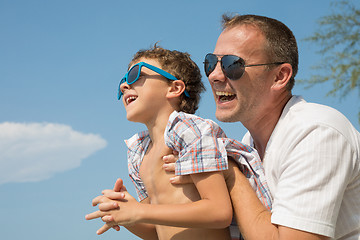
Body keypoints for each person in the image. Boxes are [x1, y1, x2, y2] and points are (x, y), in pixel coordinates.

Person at [169, 14, 360, 240]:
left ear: (280, 76)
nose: (214, 76)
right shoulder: (248, 145)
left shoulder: (316, 132)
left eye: (233, 64)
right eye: (211, 63)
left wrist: (228, 172)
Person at [85, 45, 272, 239]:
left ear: (174, 88)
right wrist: (124, 215)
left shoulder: (188, 131)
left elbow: (219, 212)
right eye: (123, 81)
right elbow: (155, 231)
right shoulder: (138, 152)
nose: (124, 85)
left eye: (134, 75)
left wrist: (139, 212)